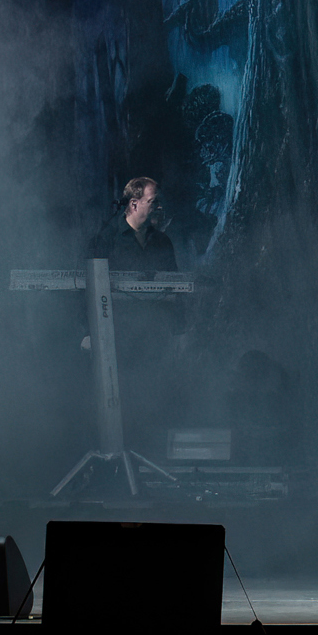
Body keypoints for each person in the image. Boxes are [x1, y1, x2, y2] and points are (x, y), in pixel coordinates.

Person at [84, 175, 187, 455]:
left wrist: (180, 332)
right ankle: (118, 459)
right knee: (120, 399)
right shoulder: (105, 240)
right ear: (134, 204)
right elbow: (87, 289)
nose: (158, 208)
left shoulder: (162, 242)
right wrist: (87, 332)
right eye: (153, 202)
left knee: (153, 400)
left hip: (154, 337)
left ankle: (148, 458)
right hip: (118, 336)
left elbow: (176, 288)